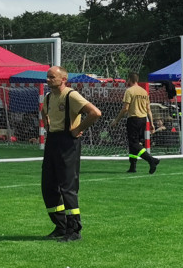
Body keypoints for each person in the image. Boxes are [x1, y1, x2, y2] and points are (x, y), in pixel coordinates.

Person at [41, 66, 102, 242]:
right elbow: (44, 112)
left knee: (67, 187)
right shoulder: (48, 97)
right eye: (47, 77)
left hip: (68, 143)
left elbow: (95, 113)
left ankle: (74, 229)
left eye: (52, 77)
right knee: (48, 187)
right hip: (52, 141)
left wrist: (78, 129)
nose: (48, 80)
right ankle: (60, 226)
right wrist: (47, 125)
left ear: (63, 79)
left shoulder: (71, 95)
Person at [111, 73, 160, 174]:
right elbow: (148, 109)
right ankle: (132, 167)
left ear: (130, 79)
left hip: (133, 119)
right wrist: (152, 123)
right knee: (134, 144)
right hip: (143, 120)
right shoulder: (144, 92)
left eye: (127, 80)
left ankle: (151, 160)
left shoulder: (129, 91)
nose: (126, 82)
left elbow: (125, 108)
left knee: (134, 144)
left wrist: (116, 120)